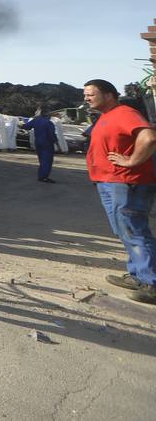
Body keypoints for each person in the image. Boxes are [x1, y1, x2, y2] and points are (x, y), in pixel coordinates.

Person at [82, 78, 156, 304]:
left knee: (134, 230)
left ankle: (151, 284)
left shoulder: (125, 113)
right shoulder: (106, 117)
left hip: (125, 183)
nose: (86, 98)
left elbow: (149, 137)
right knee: (125, 231)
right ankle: (138, 275)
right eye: (85, 94)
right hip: (110, 182)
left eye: (91, 94)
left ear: (109, 95)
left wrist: (132, 161)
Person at [21, 107, 58, 182]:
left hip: (38, 143)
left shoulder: (36, 120)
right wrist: (56, 143)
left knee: (41, 160)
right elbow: (52, 135)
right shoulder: (49, 123)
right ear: (47, 115)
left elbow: (26, 127)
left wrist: (20, 125)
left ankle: (41, 175)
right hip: (47, 144)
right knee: (47, 160)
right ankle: (43, 177)